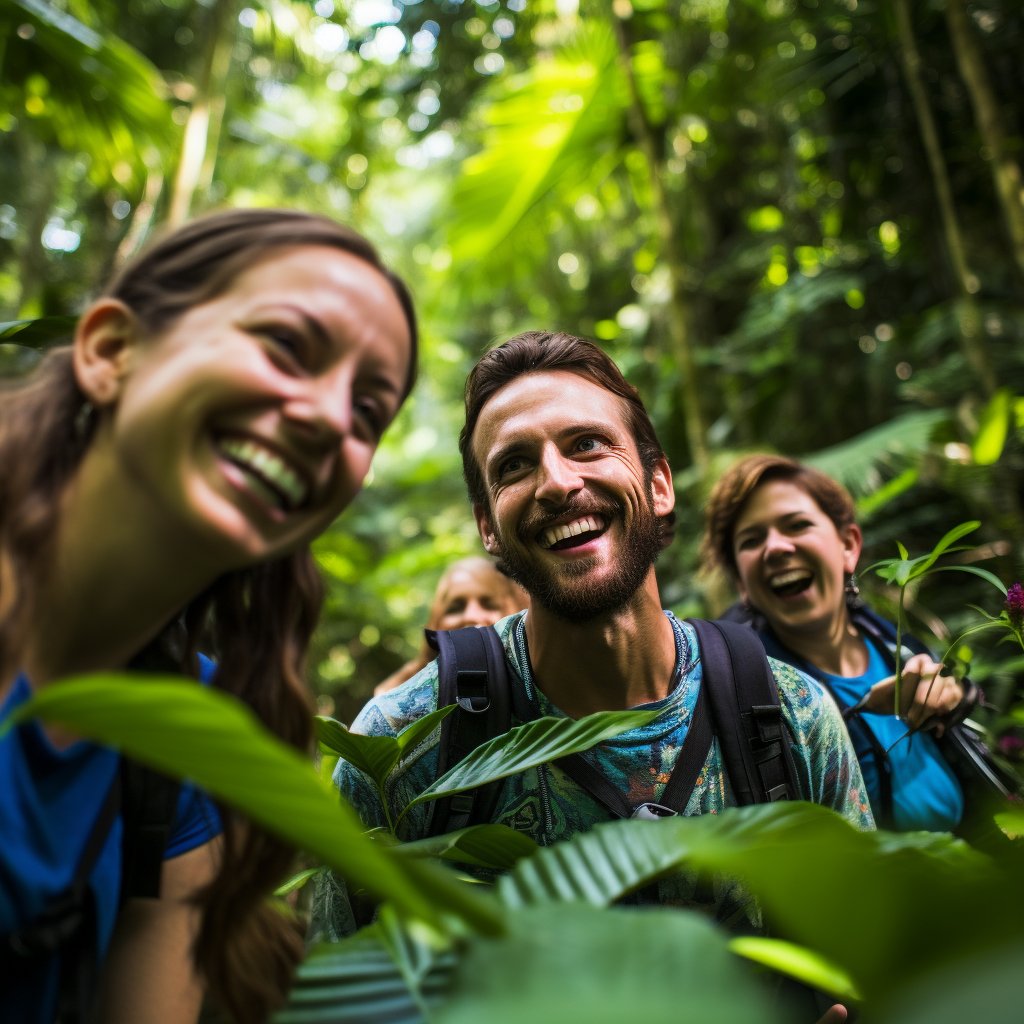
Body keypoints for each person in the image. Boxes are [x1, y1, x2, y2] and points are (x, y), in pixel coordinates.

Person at [314, 331, 872, 946]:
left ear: (659, 485)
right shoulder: (400, 748)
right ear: (488, 527)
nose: (556, 483)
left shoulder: (793, 717)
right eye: (514, 465)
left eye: (586, 444)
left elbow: (873, 964)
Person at [0, 208, 417, 1023]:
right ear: (111, 351)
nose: (330, 418)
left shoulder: (185, 748)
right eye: (286, 346)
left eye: (368, 412)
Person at [701, 453, 980, 833]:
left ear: (848, 545)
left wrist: (952, 697)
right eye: (751, 540)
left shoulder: (896, 646)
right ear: (741, 583)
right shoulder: (743, 694)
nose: (775, 548)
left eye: (797, 525)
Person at [373, 556, 527, 696]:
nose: (471, 616)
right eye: (455, 608)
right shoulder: (396, 699)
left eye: (489, 605)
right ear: (435, 624)